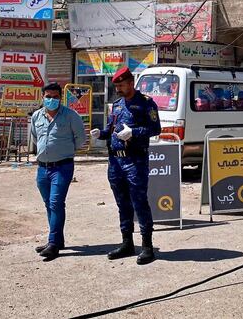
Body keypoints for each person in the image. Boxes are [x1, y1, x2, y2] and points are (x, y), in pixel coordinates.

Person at [91, 67, 160, 265]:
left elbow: (155, 128)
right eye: (116, 86)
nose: (118, 89)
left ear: (131, 83)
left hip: (135, 160)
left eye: (121, 85)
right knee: (122, 203)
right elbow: (111, 128)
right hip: (115, 161)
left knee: (139, 202)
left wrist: (134, 132)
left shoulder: (146, 103)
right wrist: (101, 134)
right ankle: (127, 242)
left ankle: (147, 246)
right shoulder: (118, 104)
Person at [30, 82, 86, 261]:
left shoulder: (71, 116)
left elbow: (80, 138)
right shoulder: (36, 116)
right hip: (42, 168)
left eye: (55, 97)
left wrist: (65, 151)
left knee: (56, 202)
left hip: (62, 167)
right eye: (48, 97)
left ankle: (53, 243)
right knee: (49, 204)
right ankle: (57, 240)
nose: (51, 100)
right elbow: (35, 137)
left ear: (60, 98)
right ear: (42, 97)